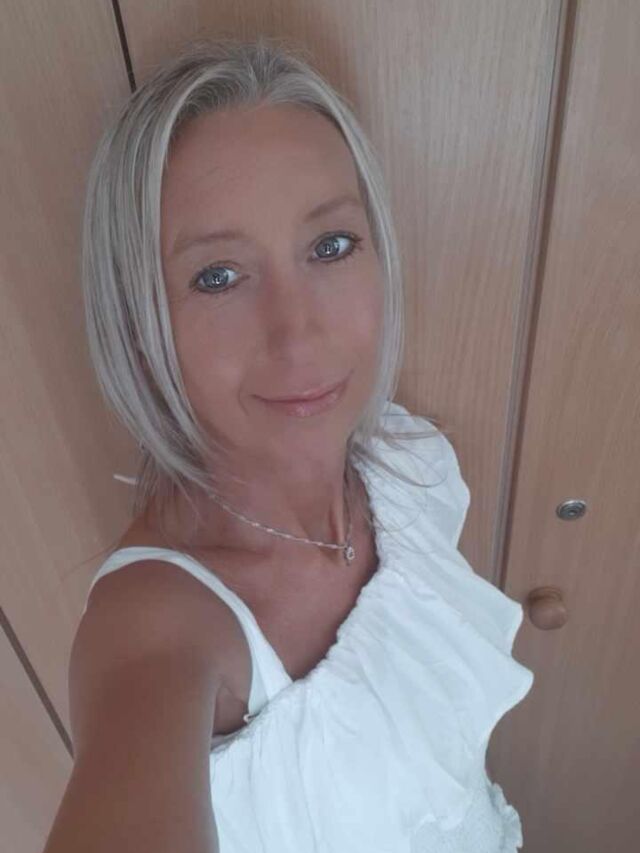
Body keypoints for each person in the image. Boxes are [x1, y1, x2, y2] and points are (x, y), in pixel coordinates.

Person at [43, 36, 534, 853]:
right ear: (138, 320)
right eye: (218, 276)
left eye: (330, 246)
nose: (297, 332)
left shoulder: (407, 464)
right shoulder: (159, 630)